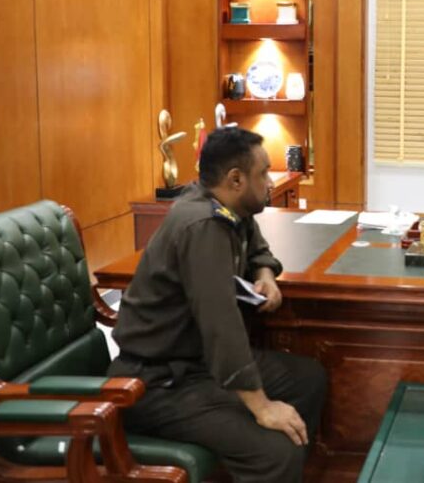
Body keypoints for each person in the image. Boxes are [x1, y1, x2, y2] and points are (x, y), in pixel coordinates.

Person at [108, 127, 327, 483]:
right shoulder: (202, 226)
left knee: (307, 379)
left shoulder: (227, 206)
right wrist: (262, 408)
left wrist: (265, 273)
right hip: (157, 384)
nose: (270, 182)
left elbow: (257, 247)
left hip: (197, 364)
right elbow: (221, 326)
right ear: (236, 179)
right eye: (263, 173)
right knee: (275, 453)